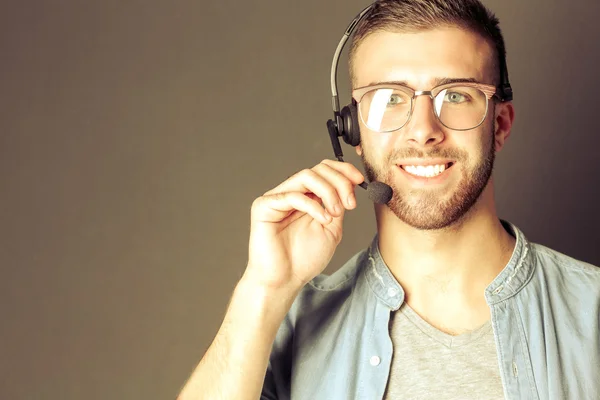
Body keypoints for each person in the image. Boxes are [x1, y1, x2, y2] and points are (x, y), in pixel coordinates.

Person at [178, 0, 600, 399]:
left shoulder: (591, 312)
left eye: (455, 95)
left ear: (500, 124)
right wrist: (264, 290)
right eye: (388, 98)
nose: (422, 130)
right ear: (352, 132)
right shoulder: (290, 326)